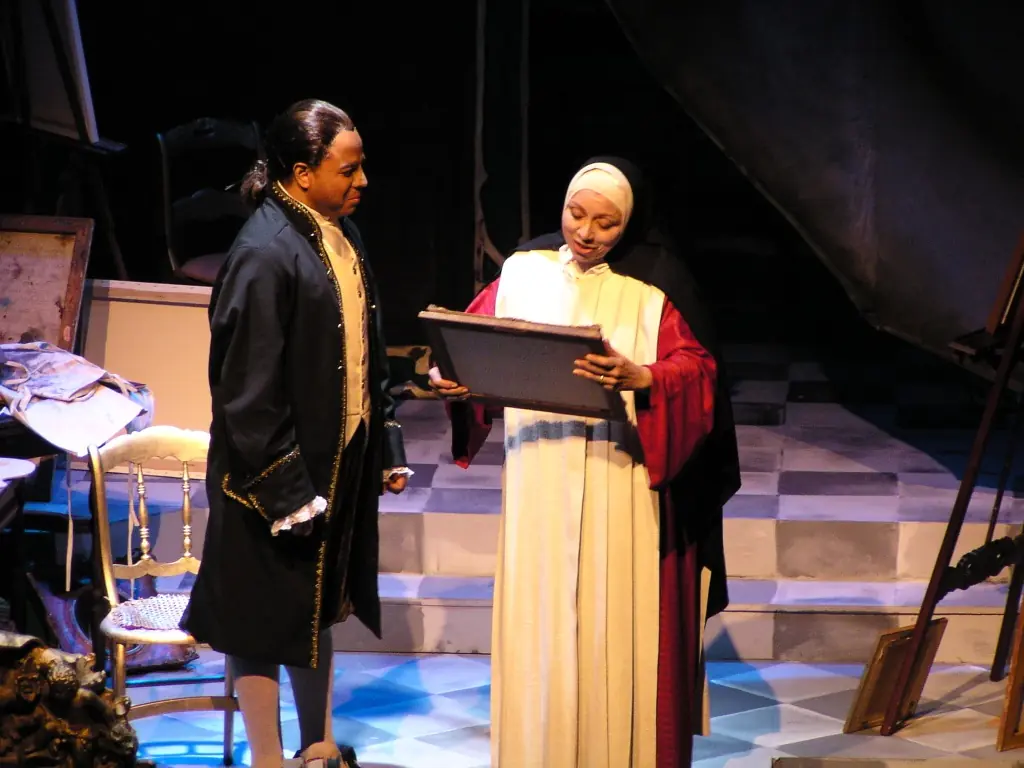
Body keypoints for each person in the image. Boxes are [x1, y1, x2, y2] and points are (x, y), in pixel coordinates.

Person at [430, 156, 741, 767]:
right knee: (542, 622)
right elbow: (471, 339)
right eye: (576, 214)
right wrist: (454, 376)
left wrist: (645, 376)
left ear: (628, 223)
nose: (587, 232)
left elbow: (699, 372)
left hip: (618, 483)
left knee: (611, 622)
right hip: (538, 478)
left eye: (606, 223)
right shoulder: (524, 270)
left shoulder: (655, 284)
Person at [181, 99, 411, 768]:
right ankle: (268, 759)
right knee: (260, 623)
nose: (362, 180)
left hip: (332, 463)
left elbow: (368, 351)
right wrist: (286, 491)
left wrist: (385, 445)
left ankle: (317, 745)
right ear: (303, 174)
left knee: (314, 608)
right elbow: (245, 393)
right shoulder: (264, 253)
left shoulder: (342, 233)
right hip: (272, 480)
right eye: (349, 168)